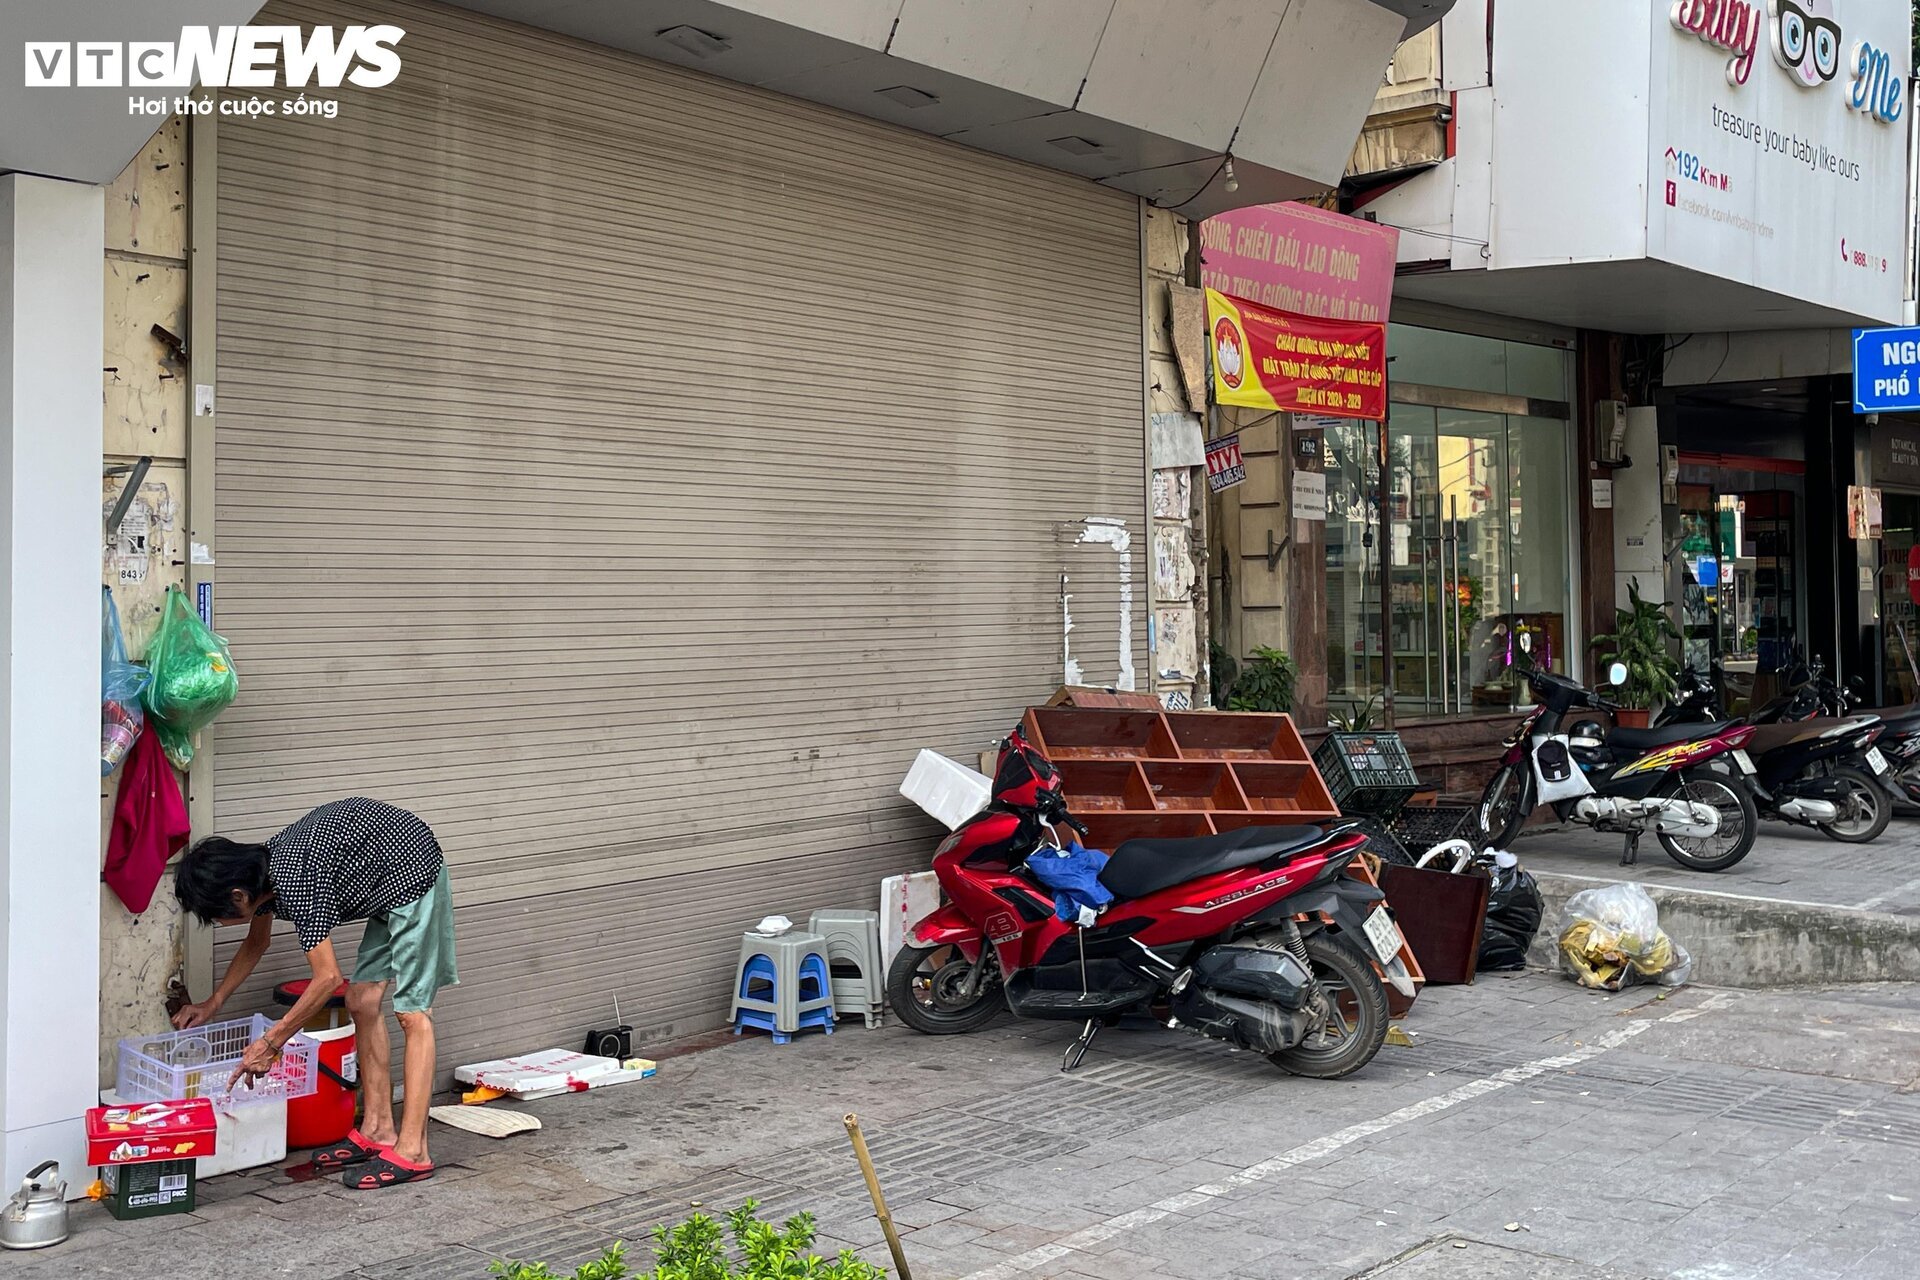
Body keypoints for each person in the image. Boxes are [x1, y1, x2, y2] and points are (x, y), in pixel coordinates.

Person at [172, 797, 456, 1190]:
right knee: (361, 1000)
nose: (219, 922)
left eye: (216, 914)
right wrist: (213, 1002)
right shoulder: (264, 876)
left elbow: (326, 978)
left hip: (414, 873)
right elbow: (257, 945)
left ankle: (414, 1151)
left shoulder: (293, 877)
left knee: (411, 1013)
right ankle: (378, 1129)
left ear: (237, 895)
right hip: (384, 884)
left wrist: (272, 1042)